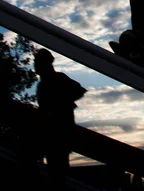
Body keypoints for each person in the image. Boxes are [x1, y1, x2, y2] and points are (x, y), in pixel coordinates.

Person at [34, 49, 86, 188]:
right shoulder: (44, 83)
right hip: (50, 133)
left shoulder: (58, 79)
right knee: (53, 172)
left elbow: (79, 90)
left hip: (59, 134)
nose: (35, 65)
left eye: (37, 62)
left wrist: (60, 104)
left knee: (57, 173)